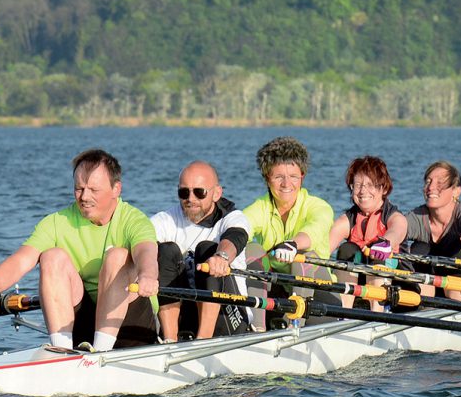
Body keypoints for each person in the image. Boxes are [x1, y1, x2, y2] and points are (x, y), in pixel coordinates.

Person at [0, 149, 159, 351]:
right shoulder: (56, 222)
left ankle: (101, 352)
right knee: (52, 256)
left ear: (116, 189)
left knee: (118, 256)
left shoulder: (134, 220)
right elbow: (20, 261)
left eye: (93, 190)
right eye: (79, 189)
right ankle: (61, 349)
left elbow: (146, 252)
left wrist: (148, 275)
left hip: (133, 326)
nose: (84, 197)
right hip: (84, 323)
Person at [152, 161, 252, 341]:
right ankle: (170, 341)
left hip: (228, 314)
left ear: (216, 193)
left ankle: (203, 339)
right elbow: (142, 242)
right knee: (165, 251)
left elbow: (235, 237)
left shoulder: (233, 217)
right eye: (184, 192)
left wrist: (221, 257)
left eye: (199, 192)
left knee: (207, 249)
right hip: (186, 315)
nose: (191, 199)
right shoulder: (166, 219)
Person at [242, 136, 335, 327]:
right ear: (267, 179)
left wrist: (293, 244)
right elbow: (239, 227)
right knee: (251, 249)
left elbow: (314, 230)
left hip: (319, 295)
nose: (286, 184)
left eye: (293, 176)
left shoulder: (319, 207)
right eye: (278, 177)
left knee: (303, 256)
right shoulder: (260, 207)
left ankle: (293, 326)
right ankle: (256, 328)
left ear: (302, 177)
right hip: (279, 293)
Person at [327, 155, 407, 309]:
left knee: (377, 252)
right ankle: (343, 313)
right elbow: (324, 247)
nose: (363, 191)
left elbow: (398, 229)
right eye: (357, 185)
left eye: (370, 185)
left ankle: (378, 314)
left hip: (396, 286)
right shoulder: (348, 219)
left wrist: (385, 243)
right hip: (359, 286)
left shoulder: (392, 216)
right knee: (347, 249)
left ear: (383, 188)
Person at [403, 160, 461, 301]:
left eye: (440, 183)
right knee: (419, 249)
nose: (431, 187)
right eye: (428, 182)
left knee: (460, 249)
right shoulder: (418, 216)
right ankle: (422, 307)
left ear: (456, 191)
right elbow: (399, 227)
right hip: (432, 289)